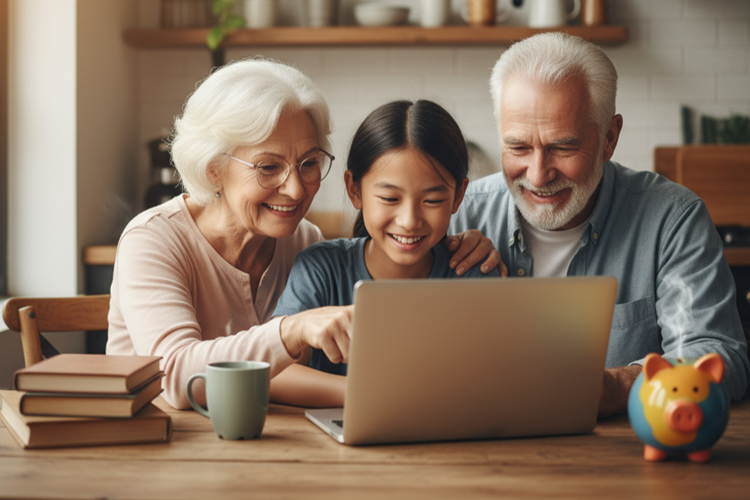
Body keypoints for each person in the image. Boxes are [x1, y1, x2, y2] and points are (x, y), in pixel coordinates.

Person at [106, 60, 500, 410]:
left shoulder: (303, 240)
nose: (295, 190)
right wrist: (291, 330)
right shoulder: (153, 240)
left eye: (309, 162)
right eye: (267, 167)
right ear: (213, 169)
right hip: (159, 452)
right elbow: (175, 378)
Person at [450, 33, 750, 417]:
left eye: (563, 147)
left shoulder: (673, 218)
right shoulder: (459, 213)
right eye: (519, 148)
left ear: (609, 137)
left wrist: (618, 385)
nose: (538, 176)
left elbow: (719, 355)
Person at [269, 100, 500, 408]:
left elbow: (491, 382)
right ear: (355, 190)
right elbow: (274, 374)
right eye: (390, 198)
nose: (409, 220)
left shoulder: (473, 274)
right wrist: (374, 394)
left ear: (458, 195)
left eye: (432, 200)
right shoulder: (321, 269)